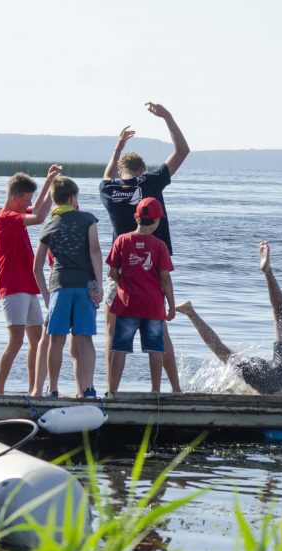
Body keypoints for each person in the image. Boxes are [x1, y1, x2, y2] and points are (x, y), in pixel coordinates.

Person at [99, 102, 190, 393]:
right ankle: (172, 389)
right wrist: (168, 116)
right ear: (141, 169)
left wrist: (117, 147)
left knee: (113, 335)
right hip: (152, 269)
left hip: (123, 273)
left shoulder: (108, 191)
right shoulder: (150, 182)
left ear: (121, 170)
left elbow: (107, 175)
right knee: (159, 332)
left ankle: (110, 390)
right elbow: (182, 151)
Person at [176, 241, 282, 394]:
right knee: (222, 350)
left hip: (272, 376)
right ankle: (190, 312)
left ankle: (268, 272)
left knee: (280, 312)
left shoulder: (274, 371)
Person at [31, 175, 102, 398]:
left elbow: (37, 267)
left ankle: (52, 388)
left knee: (56, 339)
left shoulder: (49, 225)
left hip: (59, 287)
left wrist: (46, 296)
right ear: (73, 198)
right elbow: (95, 251)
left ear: (54, 200)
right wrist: (99, 285)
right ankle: (88, 388)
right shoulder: (87, 219)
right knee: (84, 338)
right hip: (84, 286)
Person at [0, 165, 60, 394]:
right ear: (13, 196)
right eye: (24, 200)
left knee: (38, 340)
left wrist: (49, 180)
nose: (26, 205)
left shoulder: (16, 215)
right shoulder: (4, 218)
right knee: (16, 340)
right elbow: (40, 216)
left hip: (28, 286)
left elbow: (37, 209)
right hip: (12, 286)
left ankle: (34, 389)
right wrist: (52, 187)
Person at [106, 198, 176, 394]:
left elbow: (112, 272)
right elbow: (165, 279)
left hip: (127, 303)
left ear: (136, 217)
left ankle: (112, 391)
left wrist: (124, 283)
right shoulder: (159, 246)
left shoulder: (122, 240)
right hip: (153, 305)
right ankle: (155, 392)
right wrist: (171, 305)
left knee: (120, 347)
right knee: (155, 348)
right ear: (155, 221)